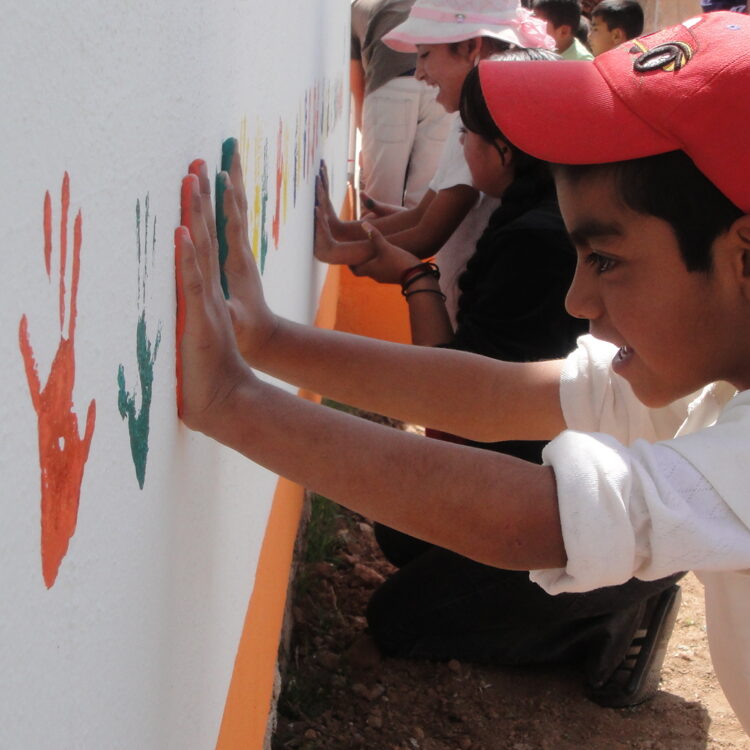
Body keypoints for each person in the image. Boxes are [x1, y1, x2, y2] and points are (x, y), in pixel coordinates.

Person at [175, 11, 750, 733]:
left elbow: (541, 519)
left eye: (606, 261)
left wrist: (233, 403)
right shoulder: (702, 363)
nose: (578, 301)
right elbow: (500, 393)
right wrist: (267, 342)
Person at [337, 49, 683, 707]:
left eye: (463, 134)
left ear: (502, 148)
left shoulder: (537, 243)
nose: (586, 300)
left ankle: (605, 618)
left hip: (616, 505)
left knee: (400, 621)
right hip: (577, 470)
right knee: (401, 532)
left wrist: (415, 279)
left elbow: (462, 413)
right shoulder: (532, 215)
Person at [317, 0, 554, 321]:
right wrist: (341, 230)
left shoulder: (479, 129)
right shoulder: (472, 120)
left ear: (471, 47)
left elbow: (426, 233)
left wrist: (337, 248)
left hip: (480, 312)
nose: (418, 73)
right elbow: (421, 214)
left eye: (425, 55)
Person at [351, 0, 454, 208]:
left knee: (379, 199)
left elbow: (356, 84)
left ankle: (374, 238)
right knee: (423, 199)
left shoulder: (358, 7)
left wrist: (366, 135)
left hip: (390, 84)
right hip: (440, 87)